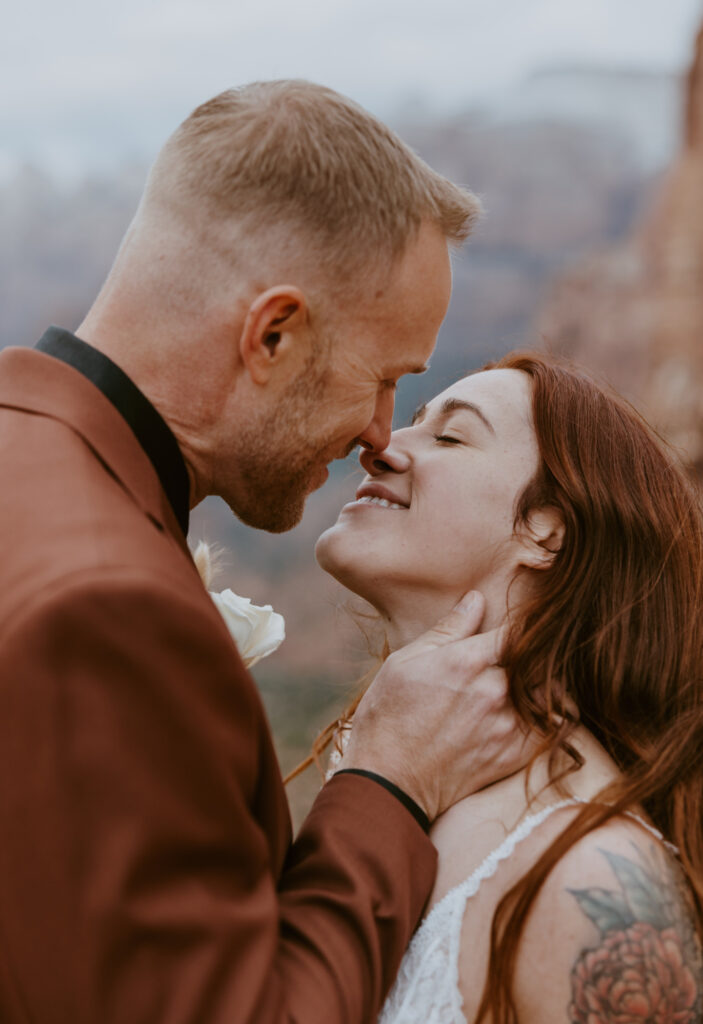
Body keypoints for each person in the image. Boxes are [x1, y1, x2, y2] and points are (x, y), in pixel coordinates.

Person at [0, 81, 532, 1023]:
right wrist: (390, 783)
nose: (380, 435)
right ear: (272, 336)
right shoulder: (108, 609)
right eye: (385, 381)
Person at [316, 352, 703, 1023]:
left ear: (544, 529)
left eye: (448, 436)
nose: (378, 446)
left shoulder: (593, 879)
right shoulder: (376, 786)